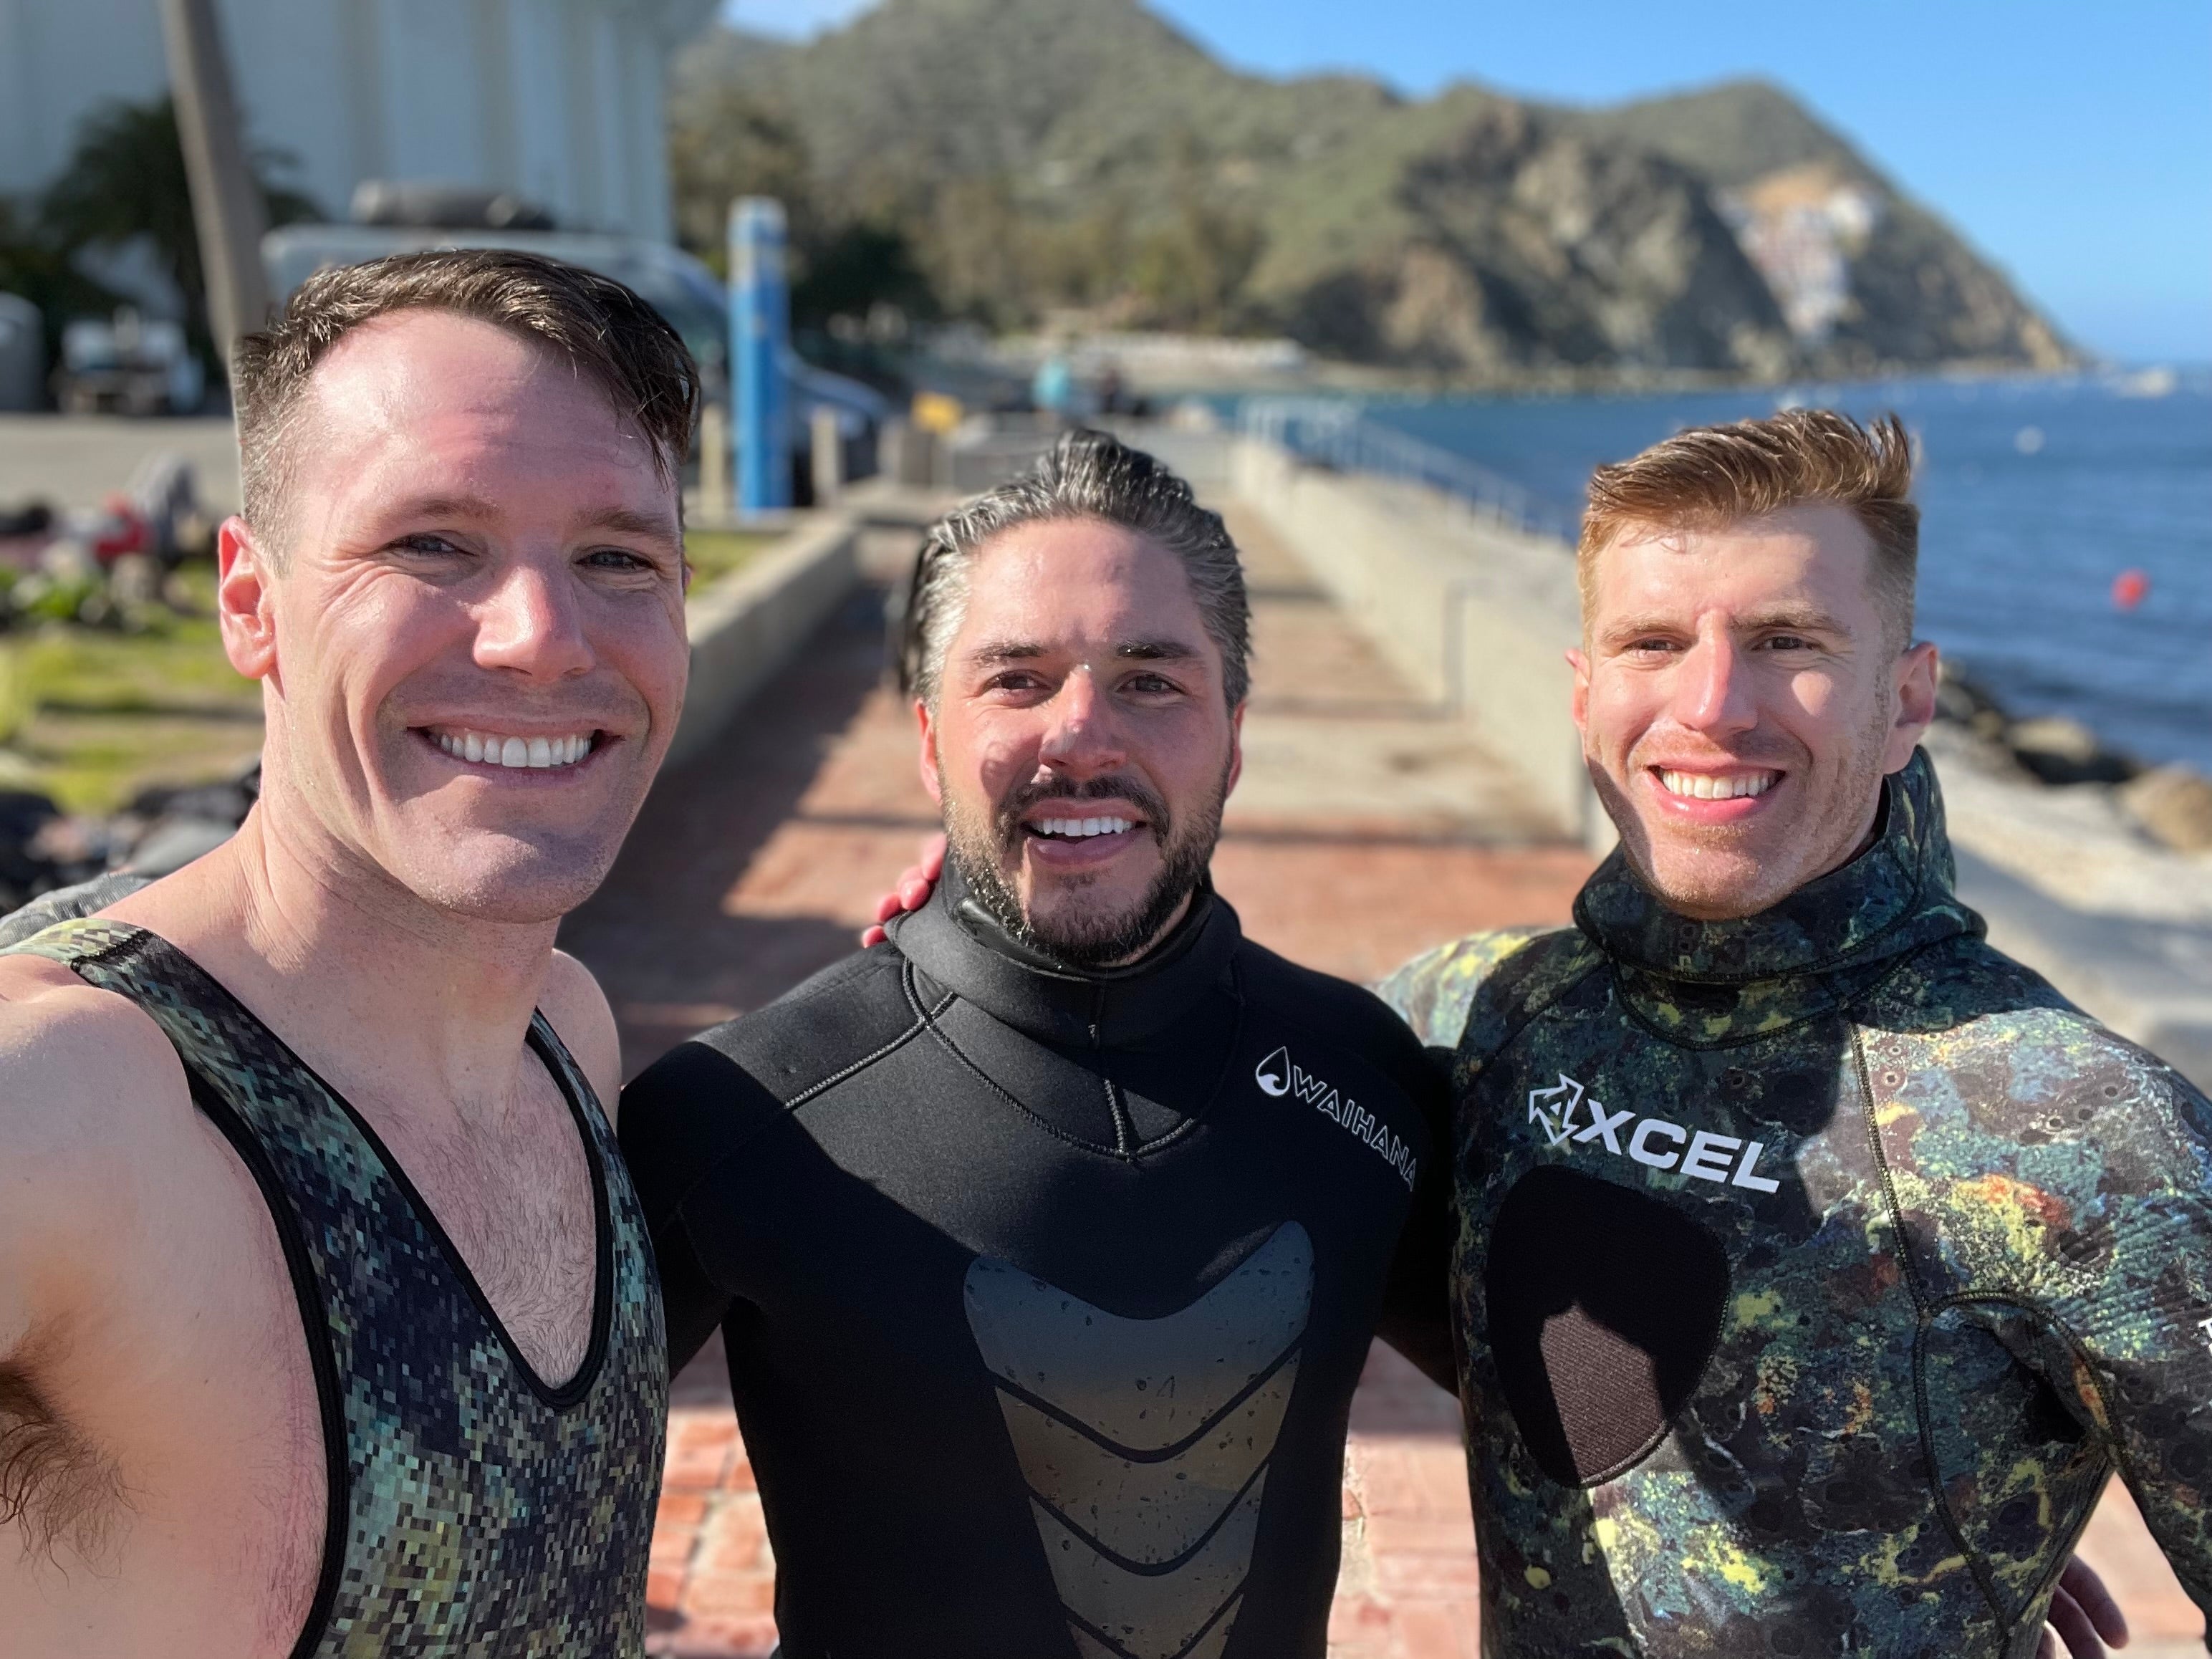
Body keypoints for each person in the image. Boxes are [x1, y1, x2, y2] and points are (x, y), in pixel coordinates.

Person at [1378, 410, 2208, 1657]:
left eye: (1787, 642)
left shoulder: (2077, 1127)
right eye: (1654, 643)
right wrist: (1911, 1496)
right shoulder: (1476, 1015)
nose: (1712, 704)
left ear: (1908, 699)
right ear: (1587, 694)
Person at [618, 431, 1456, 1659]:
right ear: (929, 739)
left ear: (1233, 737)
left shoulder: (1363, 1076)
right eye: (1018, 679)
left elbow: (1608, 1427)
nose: (1082, 735)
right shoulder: (743, 1114)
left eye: (1150, 680)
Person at [0, 250, 695, 1656]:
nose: (541, 637)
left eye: (618, 558)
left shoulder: (565, 1037)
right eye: (431, 544)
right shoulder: (80, 1101)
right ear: (250, 602)